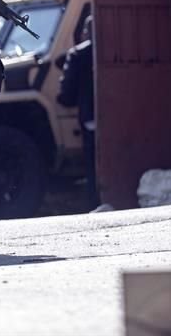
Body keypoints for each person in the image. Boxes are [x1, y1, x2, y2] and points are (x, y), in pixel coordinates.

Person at [57, 15, 99, 210]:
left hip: (90, 116)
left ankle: (96, 200)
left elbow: (66, 93)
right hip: (120, 116)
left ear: (84, 32)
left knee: (92, 162)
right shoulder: (114, 48)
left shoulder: (77, 54)